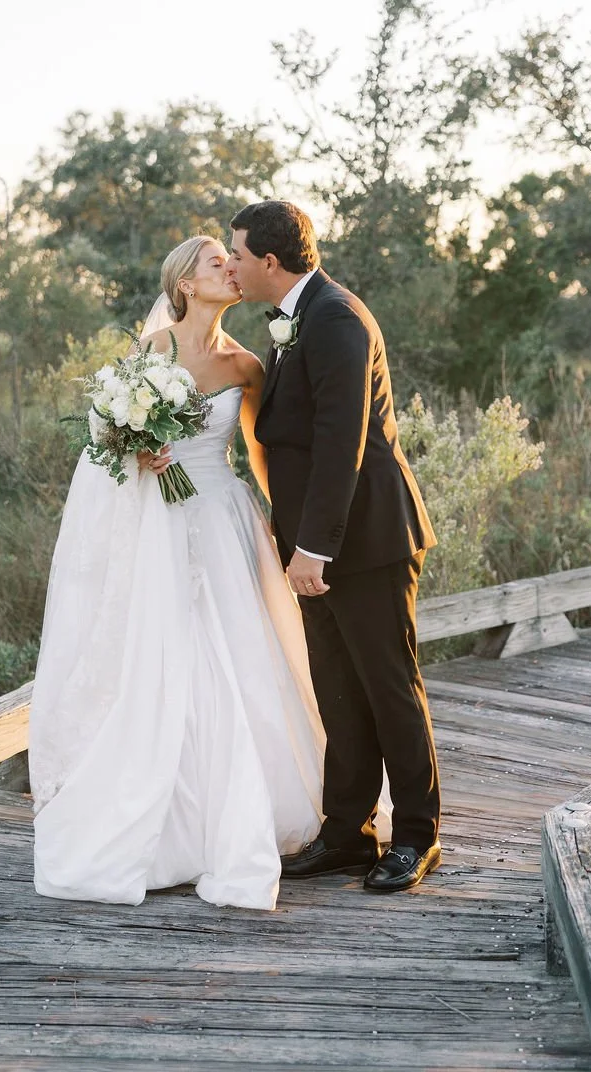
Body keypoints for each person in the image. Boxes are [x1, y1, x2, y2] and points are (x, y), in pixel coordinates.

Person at [28, 235, 324, 911]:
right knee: (165, 657)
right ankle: (161, 821)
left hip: (224, 517)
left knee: (239, 655)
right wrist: (141, 451)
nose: (232, 268)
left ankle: (240, 809)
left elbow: (260, 453)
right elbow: (104, 450)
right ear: (186, 282)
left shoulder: (249, 364)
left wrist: (292, 530)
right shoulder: (147, 361)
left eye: (233, 260)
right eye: (217, 261)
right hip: (159, 527)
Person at [227, 200, 441, 893]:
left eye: (237, 252)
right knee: (338, 692)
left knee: (390, 688)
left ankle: (415, 838)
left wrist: (314, 547)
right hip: (316, 546)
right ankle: (348, 834)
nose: (230, 263)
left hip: (367, 541)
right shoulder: (297, 319)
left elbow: (343, 442)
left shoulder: (336, 317)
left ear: (268, 260)